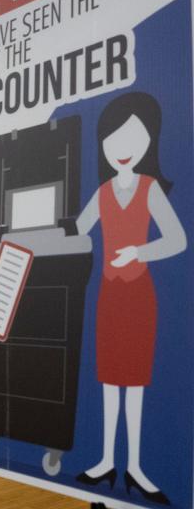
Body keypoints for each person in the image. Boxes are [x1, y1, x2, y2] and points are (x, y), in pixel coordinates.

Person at [74, 93, 185, 504]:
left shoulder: (149, 188)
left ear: (147, 142)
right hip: (108, 296)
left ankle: (135, 464)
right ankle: (106, 458)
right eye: (114, 141)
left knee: (134, 382)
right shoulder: (103, 192)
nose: (122, 150)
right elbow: (79, 230)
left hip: (139, 295)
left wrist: (139, 251)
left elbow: (176, 239)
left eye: (132, 140)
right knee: (108, 380)